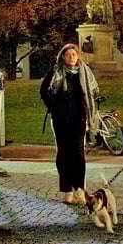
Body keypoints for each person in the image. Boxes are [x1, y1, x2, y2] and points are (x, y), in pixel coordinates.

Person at [39, 44, 99, 205]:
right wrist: (54, 108)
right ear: (63, 57)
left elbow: (93, 92)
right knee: (64, 153)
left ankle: (79, 188)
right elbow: (44, 91)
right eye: (68, 55)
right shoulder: (56, 72)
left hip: (78, 118)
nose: (71, 57)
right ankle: (67, 190)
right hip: (60, 119)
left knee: (78, 154)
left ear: (78, 56)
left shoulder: (84, 72)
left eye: (74, 54)